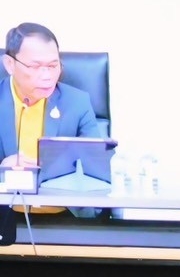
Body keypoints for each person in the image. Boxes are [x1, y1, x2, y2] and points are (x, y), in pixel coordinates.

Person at [2, 23, 105, 171]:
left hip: (56, 186)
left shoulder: (77, 102)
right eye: (35, 67)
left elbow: (97, 164)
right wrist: (2, 169)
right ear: (10, 64)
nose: (47, 76)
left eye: (52, 66)